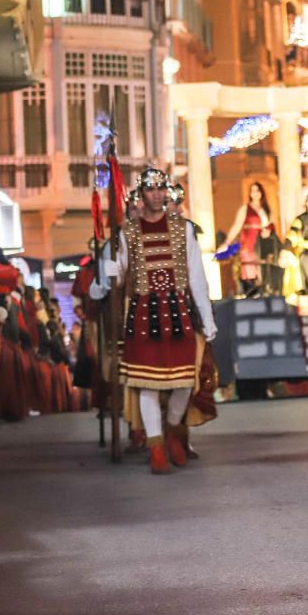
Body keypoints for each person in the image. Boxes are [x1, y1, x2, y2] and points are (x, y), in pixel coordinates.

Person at [103, 168, 217, 474]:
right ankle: (155, 448)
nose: (156, 194)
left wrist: (206, 316)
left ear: (166, 192)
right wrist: (113, 270)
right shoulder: (127, 232)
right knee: (147, 386)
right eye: (150, 190)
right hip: (142, 315)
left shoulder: (184, 229)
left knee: (183, 383)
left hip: (178, 313)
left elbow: (197, 276)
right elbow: (122, 273)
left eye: (160, 189)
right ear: (141, 195)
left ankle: (172, 431)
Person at [220, 181, 274, 296]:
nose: (255, 193)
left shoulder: (266, 209)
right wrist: (227, 242)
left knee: (262, 269)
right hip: (249, 242)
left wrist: (268, 231)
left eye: (257, 191)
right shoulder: (245, 208)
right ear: (250, 194)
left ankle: (262, 293)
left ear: (261, 193)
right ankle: (251, 294)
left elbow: (271, 225)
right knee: (249, 269)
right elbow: (237, 226)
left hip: (262, 243)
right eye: (252, 191)